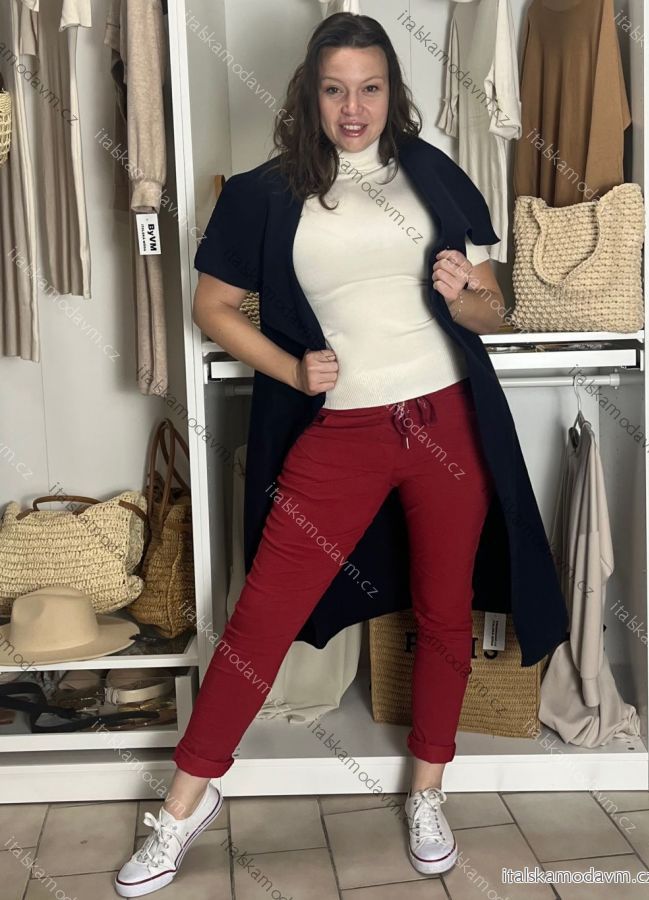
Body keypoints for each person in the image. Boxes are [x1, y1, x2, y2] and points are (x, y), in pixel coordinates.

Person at [115, 11, 511, 897]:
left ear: (392, 93)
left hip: (447, 421)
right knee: (260, 621)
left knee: (443, 612)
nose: (353, 108)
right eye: (335, 89)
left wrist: (464, 297)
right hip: (343, 432)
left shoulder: (435, 175)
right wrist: (292, 368)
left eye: (369, 88)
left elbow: (495, 309)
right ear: (309, 94)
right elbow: (210, 308)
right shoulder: (264, 192)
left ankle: (427, 791)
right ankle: (181, 808)